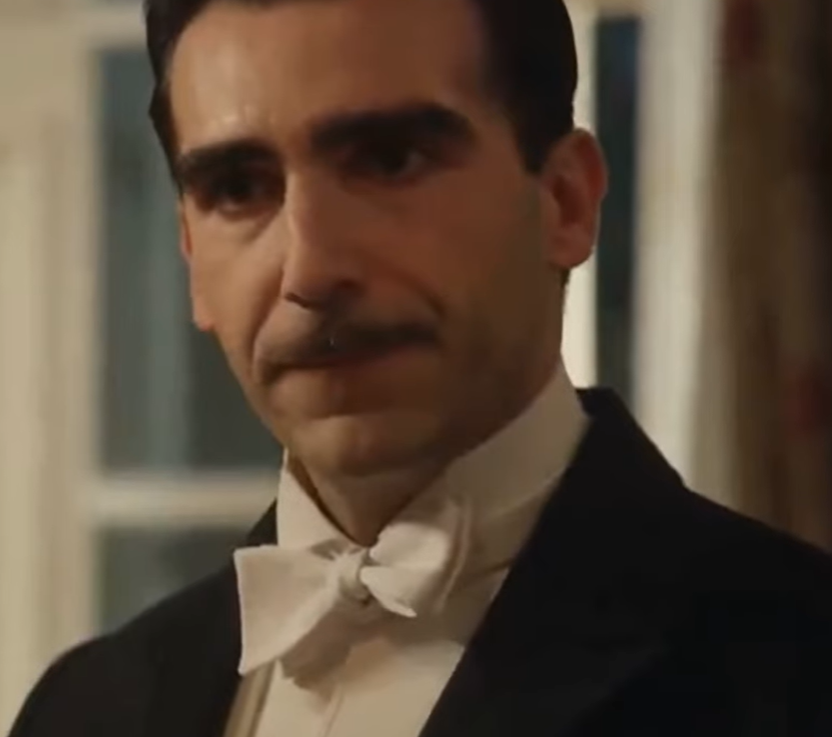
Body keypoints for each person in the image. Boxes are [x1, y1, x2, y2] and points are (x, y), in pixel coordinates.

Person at [10, 0, 832, 734]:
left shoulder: (800, 667)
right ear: (192, 256)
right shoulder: (83, 709)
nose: (311, 269)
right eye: (238, 186)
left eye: (390, 159)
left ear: (566, 201)